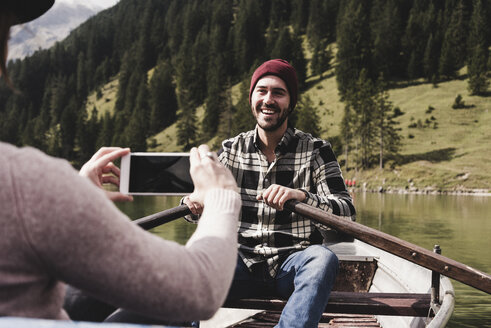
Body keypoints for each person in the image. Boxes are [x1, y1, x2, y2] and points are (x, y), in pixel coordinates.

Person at [0, 0, 242, 325]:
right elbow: (199, 291)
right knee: (178, 314)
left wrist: (74, 200)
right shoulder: (24, 182)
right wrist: (221, 197)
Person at [183, 59, 356, 328]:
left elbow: (346, 214)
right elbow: (202, 199)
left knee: (323, 259)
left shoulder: (316, 150)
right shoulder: (231, 150)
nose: (268, 99)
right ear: (251, 98)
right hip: (240, 265)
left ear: (291, 102)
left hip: (294, 264)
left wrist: (301, 197)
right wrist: (194, 203)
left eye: (278, 92)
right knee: (191, 265)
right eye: (261, 91)